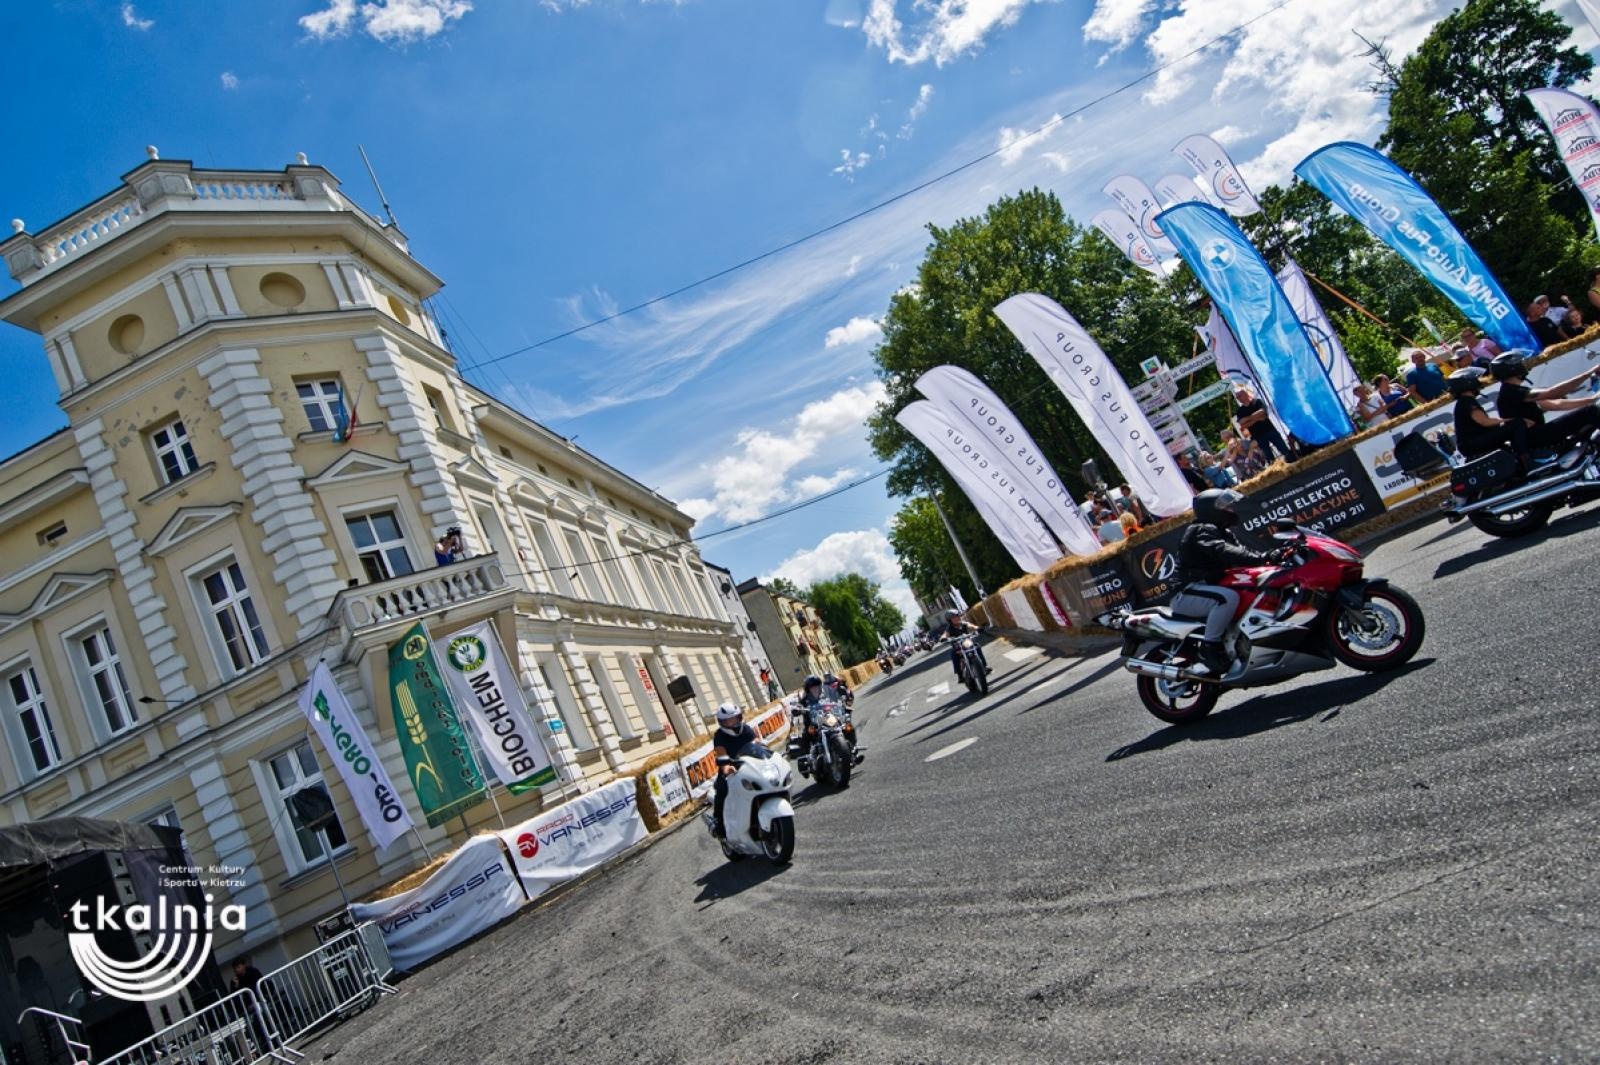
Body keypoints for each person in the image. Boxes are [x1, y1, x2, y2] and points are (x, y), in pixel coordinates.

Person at [1170, 489, 1292, 677]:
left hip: (1207, 586)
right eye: (1226, 507)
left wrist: (1269, 557)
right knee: (1227, 599)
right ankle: (1210, 647)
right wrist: (1261, 558)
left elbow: (1241, 551)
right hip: (1187, 591)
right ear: (1212, 509)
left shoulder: (1222, 531)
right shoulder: (1201, 530)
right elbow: (1223, 550)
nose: (1231, 509)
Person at [1489, 351, 1600, 455]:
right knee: (1590, 411)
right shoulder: (1511, 392)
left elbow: (1555, 404)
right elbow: (1552, 393)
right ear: (1512, 368)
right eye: (1520, 363)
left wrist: (1591, 399)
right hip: (1536, 437)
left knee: (1590, 410)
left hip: (1536, 435)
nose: (1524, 365)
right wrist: (1590, 372)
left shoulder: (1513, 390)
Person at [1448, 368, 1526, 461]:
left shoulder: (1464, 401)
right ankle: (1525, 458)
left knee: (1506, 427)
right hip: (1472, 444)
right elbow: (1485, 422)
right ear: (1467, 383)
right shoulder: (1466, 402)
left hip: (1472, 443)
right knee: (1517, 424)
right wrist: (1509, 420)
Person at [710, 702, 759, 838]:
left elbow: (757, 743)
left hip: (750, 765)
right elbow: (722, 756)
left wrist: (763, 750)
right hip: (732, 769)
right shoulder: (719, 736)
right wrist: (726, 768)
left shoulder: (746, 729)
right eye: (728, 721)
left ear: (739, 717)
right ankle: (719, 824)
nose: (732, 723)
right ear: (722, 722)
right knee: (722, 789)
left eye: (735, 718)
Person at [1232, 386, 1292, 462]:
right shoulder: (1240, 411)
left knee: (1284, 450)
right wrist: (1256, 418)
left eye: (1240, 396)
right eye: (1237, 397)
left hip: (1270, 430)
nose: (1239, 398)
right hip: (1258, 436)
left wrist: (1248, 419)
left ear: (1245, 394)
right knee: (1270, 458)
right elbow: (1242, 424)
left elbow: (1262, 412)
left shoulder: (1257, 402)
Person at [944, 608, 989, 681]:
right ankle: (959, 674)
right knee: (953, 653)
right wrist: (945, 638)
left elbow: (971, 626)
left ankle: (984, 667)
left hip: (967, 643)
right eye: (953, 617)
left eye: (957, 616)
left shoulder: (964, 623)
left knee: (977, 646)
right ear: (950, 620)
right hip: (958, 646)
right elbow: (945, 635)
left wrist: (978, 628)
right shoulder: (949, 628)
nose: (956, 618)